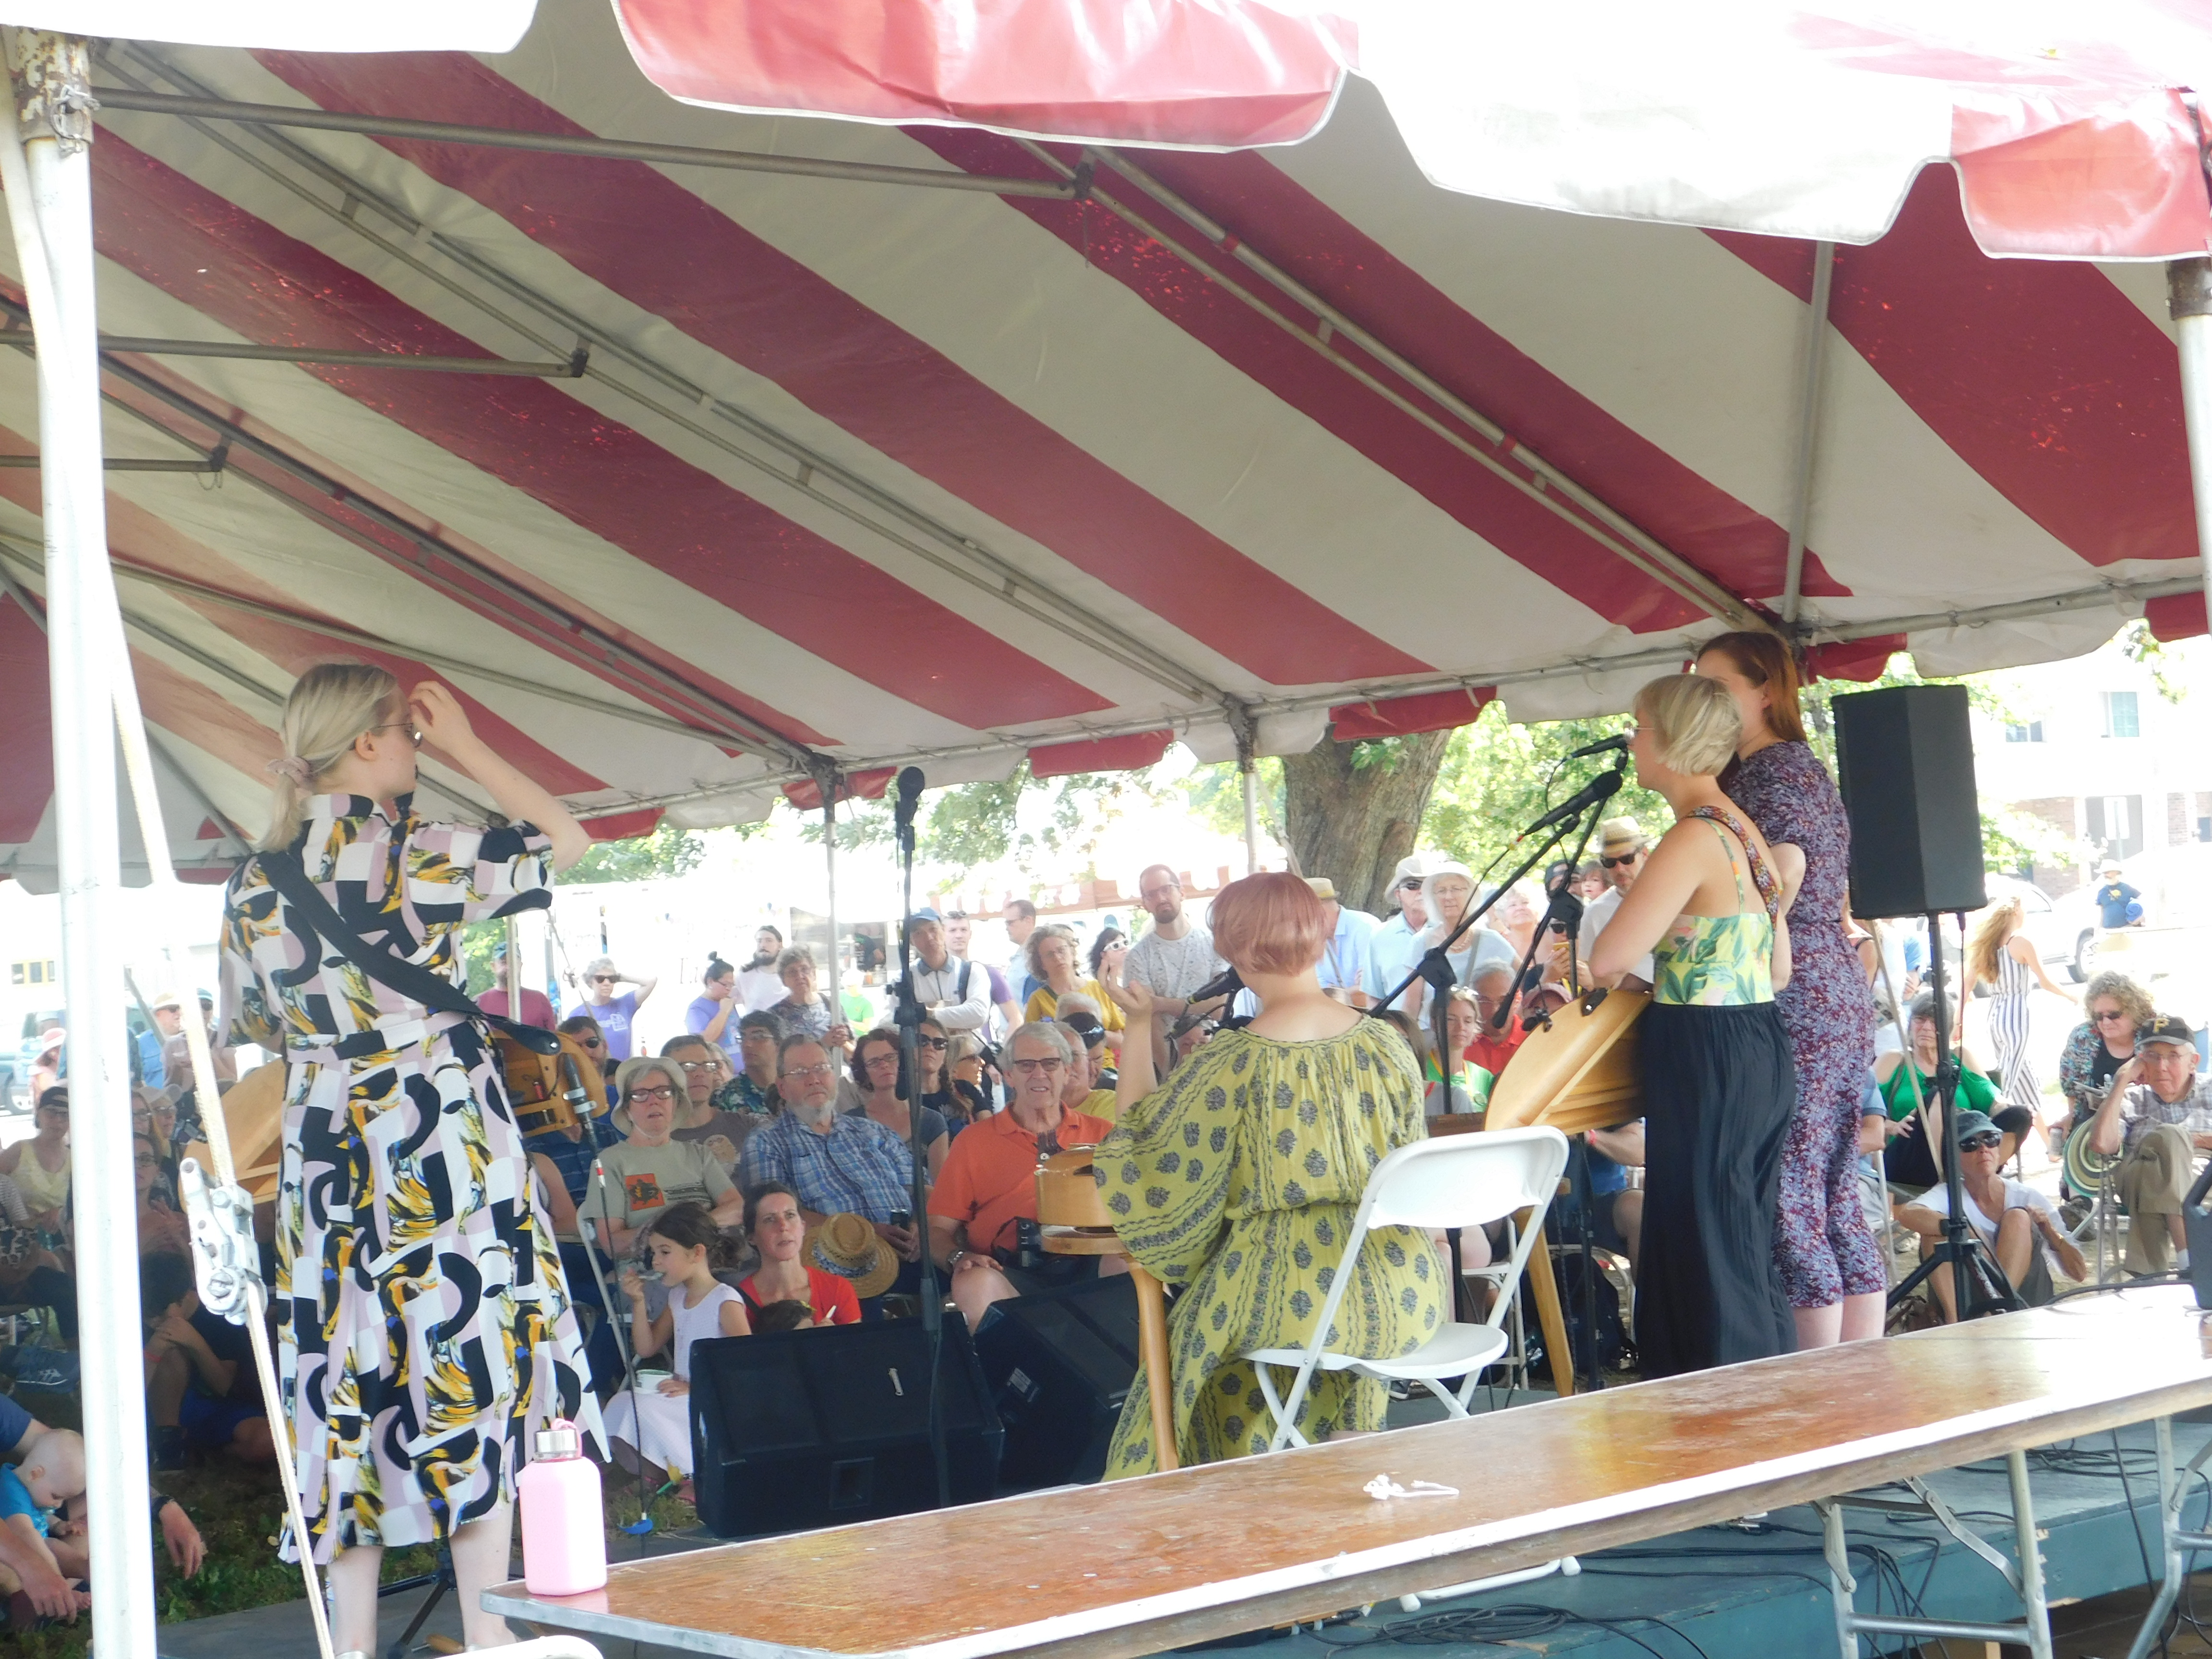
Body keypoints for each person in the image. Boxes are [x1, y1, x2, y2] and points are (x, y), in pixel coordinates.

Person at [217, 663, 598, 1650]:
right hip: (437, 1142)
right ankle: (486, 1633)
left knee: (344, 1386)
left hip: (327, 1156)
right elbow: (566, 838)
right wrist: (470, 746)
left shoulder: (253, 884)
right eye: (413, 738)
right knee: (463, 1367)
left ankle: (346, 1645)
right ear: (371, 743)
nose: (420, 752)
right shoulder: (416, 855)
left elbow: (256, 1019)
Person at [1093, 873, 1444, 1472]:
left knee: (1195, 1360)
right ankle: (1343, 1465)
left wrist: (1137, 1025)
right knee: (1303, 1346)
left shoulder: (1235, 1060)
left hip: (1295, 1291)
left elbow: (1146, 1152)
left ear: (1236, 951)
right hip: (1404, 1288)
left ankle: (1247, 1502)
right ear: (1317, 936)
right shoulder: (1388, 1046)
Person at [1589, 671, 1799, 1377]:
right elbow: (1777, 969)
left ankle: (1721, 1411)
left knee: (1704, 1235)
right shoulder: (1746, 831)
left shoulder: (1689, 838)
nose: (1631, 741)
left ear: (1674, 742)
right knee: (1737, 1231)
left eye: (1639, 727)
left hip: (1705, 1051)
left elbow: (1607, 958)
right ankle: (1761, 1398)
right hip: (1757, 1042)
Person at [1695, 630, 1884, 1353]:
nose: (1707, 704)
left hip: (1796, 995)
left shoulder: (1767, 781)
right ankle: (1859, 1387)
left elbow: (1779, 878)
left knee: (1792, 1193)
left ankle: (1819, 1395)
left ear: (1766, 691)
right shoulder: (1799, 770)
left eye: (1720, 688)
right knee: (1833, 1193)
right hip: (1832, 990)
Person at [927, 1022, 1117, 1329]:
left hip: (1092, 1264)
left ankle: (1137, 1373)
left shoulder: (1102, 1133)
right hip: (1008, 1269)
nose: (1039, 1074)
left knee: (1136, 1266)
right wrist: (958, 1257)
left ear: (1067, 1071)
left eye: (1050, 1063)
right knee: (972, 1284)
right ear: (1009, 1075)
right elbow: (936, 1231)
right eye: (1026, 1065)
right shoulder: (974, 1141)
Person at [741, 1037, 923, 1292]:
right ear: (781, 1088)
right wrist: (863, 1233)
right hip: (838, 1267)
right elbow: (776, 1215)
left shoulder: (874, 1132)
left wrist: (920, 1224)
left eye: (821, 1068)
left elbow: (922, 1187)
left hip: (914, 1253)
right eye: (800, 1072)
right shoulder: (767, 1141)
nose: (814, 1079)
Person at [606, 1203, 750, 1482]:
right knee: (622, 1404)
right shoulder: (677, 1298)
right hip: (679, 1397)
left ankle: (690, 1473)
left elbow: (746, 1365)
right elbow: (647, 1348)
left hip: (710, 1402)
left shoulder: (724, 1300)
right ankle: (662, 1477)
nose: (656, 1262)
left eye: (665, 1252)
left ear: (697, 1252)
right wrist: (638, 1302)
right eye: (655, 1253)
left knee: (639, 1408)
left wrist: (696, 1388)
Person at [1897, 1109, 2085, 1316]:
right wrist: (1963, 1229)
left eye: (1991, 1139)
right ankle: (1955, 1323)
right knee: (1934, 1235)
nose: (1983, 1149)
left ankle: (1996, 1312)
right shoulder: (1949, 1194)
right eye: (1970, 1144)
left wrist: (2049, 1231)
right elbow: (1908, 1214)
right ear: (1954, 1157)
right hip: (1968, 1306)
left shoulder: (2027, 1197)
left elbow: (2079, 1273)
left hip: (2023, 1305)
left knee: (2018, 1218)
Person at [580, 1056, 747, 1262]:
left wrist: (687, 1228)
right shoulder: (610, 1161)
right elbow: (614, 1245)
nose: (654, 1101)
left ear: (675, 1103)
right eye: (640, 1095)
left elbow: (737, 1208)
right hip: (651, 1274)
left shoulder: (698, 1154)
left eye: (663, 1092)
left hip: (712, 1265)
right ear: (627, 1110)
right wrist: (680, 1235)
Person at [2088, 1016, 2212, 1274]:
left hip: (2200, 1180)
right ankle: (2193, 1263)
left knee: (2160, 1164)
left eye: (2173, 1056)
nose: (2162, 1066)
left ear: (2193, 1063)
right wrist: (2121, 1081)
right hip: (2135, 1174)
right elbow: (2102, 1146)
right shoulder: (2132, 1097)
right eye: (2152, 1056)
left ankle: (2148, 1279)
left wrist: (2192, 1140)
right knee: (2167, 1139)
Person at [140, 1251, 276, 1470]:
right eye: (149, 1316)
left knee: (266, 1441)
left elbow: (224, 1386)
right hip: (163, 1407)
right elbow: (128, 1395)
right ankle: (170, 1445)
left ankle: (209, 1451)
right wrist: (153, 1351)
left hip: (221, 1409)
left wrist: (195, 1343)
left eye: (160, 1315)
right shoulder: (141, 1319)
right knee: (170, 1353)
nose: (155, 1323)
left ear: (185, 1298)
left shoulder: (220, 1315)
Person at [1967, 896, 2077, 1146]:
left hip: (1995, 1015)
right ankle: (1986, 1137)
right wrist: (2072, 995)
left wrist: (1958, 1020)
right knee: (2005, 1085)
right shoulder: (2021, 942)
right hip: (2016, 1015)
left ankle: (2051, 1146)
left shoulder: (1988, 946)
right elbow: (2046, 981)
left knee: (2027, 1084)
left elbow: (1967, 984)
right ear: (2016, 911)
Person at [1874, 990, 2001, 1195]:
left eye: (1934, 1022)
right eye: (1920, 1020)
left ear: (1948, 1029)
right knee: (1940, 1095)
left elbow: (1990, 1095)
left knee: (2018, 1115)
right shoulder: (1893, 1061)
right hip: (1909, 1155)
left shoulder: (1960, 1057)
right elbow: (1858, 1108)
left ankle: (1985, 1177)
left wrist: (2004, 1105)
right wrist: (1890, 1126)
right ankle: (1948, 1184)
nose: (1926, 1027)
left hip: (1966, 1147)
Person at [2057, 971, 2156, 1178]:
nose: (2105, 1022)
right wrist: (2071, 1116)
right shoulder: (2082, 1037)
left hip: (2145, 1119)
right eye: (2098, 1016)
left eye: (2114, 1015)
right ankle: (2080, 1202)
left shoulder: (2154, 1035)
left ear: (2135, 1011)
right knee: (2078, 1143)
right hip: (2093, 1120)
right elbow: (2071, 1085)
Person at [736, 1181, 863, 1326]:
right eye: (769, 1220)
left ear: (803, 1227)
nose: (783, 1227)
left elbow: (855, 1348)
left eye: (790, 1215)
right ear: (751, 1236)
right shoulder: (737, 1302)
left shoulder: (837, 1289)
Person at [846, 1029, 950, 1182]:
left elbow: (941, 1187)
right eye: (874, 1062)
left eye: (891, 1058)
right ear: (864, 1072)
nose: (884, 1065)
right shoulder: (851, 1122)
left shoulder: (932, 1122)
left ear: (904, 1062)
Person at [1127, 864, 1228, 1017]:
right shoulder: (1138, 957)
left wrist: (1161, 1004)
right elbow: (1149, 1017)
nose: (1160, 899)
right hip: (1165, 1042)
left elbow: (1220, 1008)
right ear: (1145, 905)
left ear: (1182, 892)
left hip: (1215, 1040)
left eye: (1166, 889)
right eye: (1151, 895)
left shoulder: (1214, 943)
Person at [661, 1034, 760, 1175]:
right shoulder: (658, 1141)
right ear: (666, 1076)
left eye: (707, 1066)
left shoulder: (747, 1126)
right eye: (688, 1067)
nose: (699, 1074)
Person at [1577, 817, 1656, 988]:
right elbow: (1589, 973)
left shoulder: (1672, 894)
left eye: (1627, 859)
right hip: (1628, 1007)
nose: (1619, 869)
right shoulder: (1595, 913)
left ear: (1644, 855)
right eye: (1610, 862)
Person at [1023, 925, 1127, 1044]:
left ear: (1072, 952)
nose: (1057, 957)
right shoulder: (1038, 1000)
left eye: (1061, 950)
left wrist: (1093, 1033)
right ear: (1041, 964)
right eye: (1049, 955)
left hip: (1105, 1061)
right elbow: (1030, 1043)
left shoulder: (1098, 988)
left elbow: (1121, 1040)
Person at [896, 910, 994, 1033]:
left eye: (933, 929)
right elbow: (893, 1021)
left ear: (943, 930)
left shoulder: (972, 971)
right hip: (927, 1051)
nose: (929, 937)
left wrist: (925, 1014)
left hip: (969, 1050)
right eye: (919, 933)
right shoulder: (903, 979)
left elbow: (979, 1014)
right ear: (911, 941)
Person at [1363, 854, 1435, 1009]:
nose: (1421, 891)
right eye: (1413, 885)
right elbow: (1374, 997)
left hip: (1445, 1031)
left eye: (1428, 885)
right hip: (1396, 1030)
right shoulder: (1380, 935)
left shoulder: (1449, 931)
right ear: (1398, 894)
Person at [0, 1089, 70, 1244]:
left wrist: (62, 1213)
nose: (57, 1120)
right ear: (39, 1113)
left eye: (65, 1115)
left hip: (65, 1243)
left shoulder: (76, 1161)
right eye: (51, 1112)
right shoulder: (19, 1152)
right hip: (20, 1243)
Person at [765, 945, 855, 1064]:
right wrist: (824, 1044)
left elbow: (854, 1056)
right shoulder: (775, 1016)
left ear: (813, 974)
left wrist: (843, 1042)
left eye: (805, 969)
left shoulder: (831, 1005)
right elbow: (778, 1061)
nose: (800, 976)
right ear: (784, 980)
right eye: (792, 972)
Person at [1301, 877, 1381, 1006]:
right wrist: (1347, 992)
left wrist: (1337, 994)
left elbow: (1369, 989)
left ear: (1318, 911)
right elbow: (1320, 990)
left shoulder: (1364, 927)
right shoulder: (1314, 939)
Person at [942, 909, 1020, 1033]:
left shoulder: (989, 973)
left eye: (963, 930)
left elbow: (1015, 1018)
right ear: (942, 934)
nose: (959, 935)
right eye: (952, 930)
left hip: (980, 1048)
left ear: (970, 934)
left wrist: (1006, 1050)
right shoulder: (933, 977)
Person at [567, 956, 657, 1062]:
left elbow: (651, 982)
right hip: (593, 1074)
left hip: (620, 1073)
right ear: (591, 981)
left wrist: (620, 977)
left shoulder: (626, 1005)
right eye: (600, 979)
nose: (606, 983)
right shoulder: (578, 1014)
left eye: (611, 979)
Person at [1421, 988, 1494, 1116]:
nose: (1461, 1027)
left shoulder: (1484, 1077)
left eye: (1468, 1021)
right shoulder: (1420, 1070)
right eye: (1451, 1019)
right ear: (1434, 1023)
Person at [1462, 963, 1527, 1080]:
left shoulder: (1532, 1039)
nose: (1495, 1010)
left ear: (1517, 1000)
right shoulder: (1461, 1040)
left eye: (1503, 1001)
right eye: (1485, 1001)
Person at [719, 1010, 785, 1117]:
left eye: (758, 1037)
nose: (747, 1044)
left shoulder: (796, 1086)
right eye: (743, 1038)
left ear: (779, 1044)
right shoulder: (725, 1097)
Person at [479, 941, 556, 1030]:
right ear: (493, 966)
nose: (509, 967)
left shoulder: (539, 1000)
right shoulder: (479, 1003)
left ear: (520, 965)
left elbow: (553, 1038)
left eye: (513, 962)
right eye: (504, 962)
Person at [684, 955, 745, 1066]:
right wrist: (724, 1012)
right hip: (719, 1073)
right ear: (710, 981)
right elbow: (705, 1042)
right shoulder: (697, 1009)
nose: (729, 989)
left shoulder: (728, 1001)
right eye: (725, 985)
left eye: (731, 985)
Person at [735, 926, 788, 1013]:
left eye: (769, 941)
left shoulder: (790, 974)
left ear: (780, 945)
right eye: (759, 941)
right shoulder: (745, 975)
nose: (763, 945)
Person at [1003, 898, 1041, 1006]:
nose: (1007, 928)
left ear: (1028, 921)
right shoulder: (1020, 955)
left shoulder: (1039, 956)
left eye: (1010, 923)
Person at [559, 1012, 615, 1082]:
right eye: (576, 1047)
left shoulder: (622, 1088)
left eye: (592, 1042)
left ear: (605, 1046)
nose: (586, 1051)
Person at [2094, 861, 2143, 930]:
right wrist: (2098, 929)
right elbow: (2101, 912)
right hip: (2108, 930)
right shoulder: (2102, 892)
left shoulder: (2126, 888)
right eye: (2104, 873)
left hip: (2126, 929)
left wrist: (2140, 917)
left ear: (2117, 873)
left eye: (2107, 872)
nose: (2105, 875)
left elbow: (2145, 901)